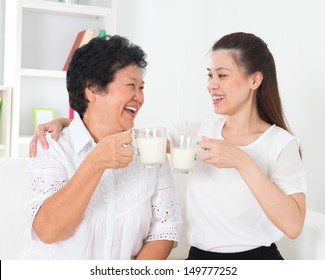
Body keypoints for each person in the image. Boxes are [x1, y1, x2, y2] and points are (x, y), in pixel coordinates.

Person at [30, 32, 306, 260]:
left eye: (221, 75)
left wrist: (243, 162)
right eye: (209, 75)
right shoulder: (196, 133)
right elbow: (119, 131)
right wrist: (67, 123)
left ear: (254, 80)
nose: (212, 85)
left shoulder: (281, 144)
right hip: (199, 260)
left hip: (258, 260)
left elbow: (293, 225)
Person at [20, 35, 182, 260]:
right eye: (131, 86)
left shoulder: (149, 149)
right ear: (92, 89)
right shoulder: (52, 145)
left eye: (141, 87)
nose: (140, 97)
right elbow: (47, 231)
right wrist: (95, 162)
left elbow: (164, 230)